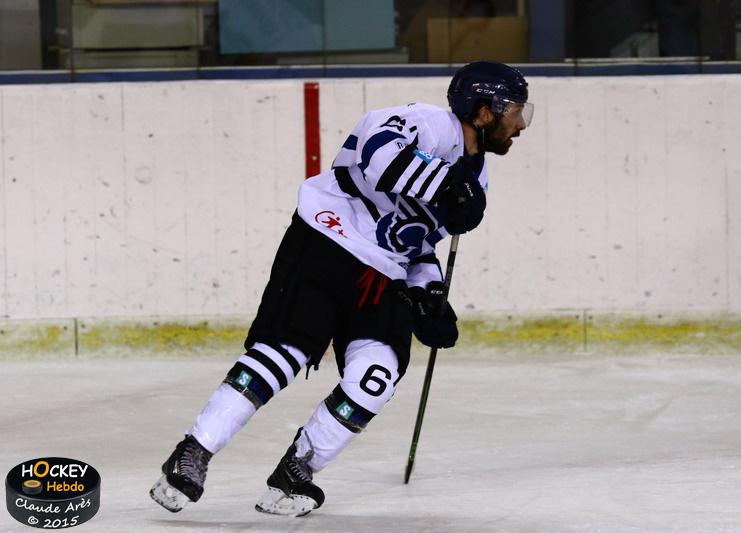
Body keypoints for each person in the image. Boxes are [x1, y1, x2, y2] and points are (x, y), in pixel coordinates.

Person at [149, 60, 533, 517]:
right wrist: (445, 182)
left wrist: (430, 293)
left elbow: (417, 242)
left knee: (377, 375)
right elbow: (377, 154)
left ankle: (296, 471)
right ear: (484, 112)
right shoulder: (430, 124)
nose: (521, 125)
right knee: (284, 353)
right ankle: (193, 453)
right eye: (515, 112)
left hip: (384, 273)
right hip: (328, 242)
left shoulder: (478, 177)